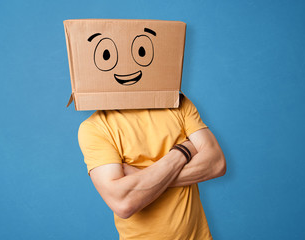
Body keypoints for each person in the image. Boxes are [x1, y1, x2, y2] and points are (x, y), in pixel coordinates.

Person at [78, 93, 226, 240]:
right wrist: (182, 152)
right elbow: (123, 203)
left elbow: (217, 163)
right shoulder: (94, 128)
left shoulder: (178, 102)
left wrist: (145, 179)